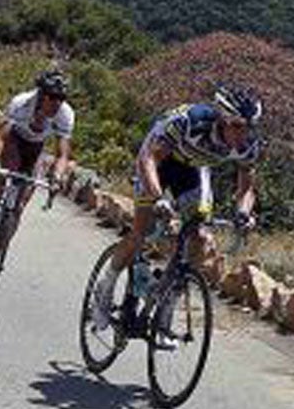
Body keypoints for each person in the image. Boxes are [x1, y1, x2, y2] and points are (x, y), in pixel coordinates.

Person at [97, 85, 263, 335]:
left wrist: (243, 213)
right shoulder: (190, 122)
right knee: (141, 232)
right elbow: (149, 160)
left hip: (193, 170)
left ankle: (165, 309)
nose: (243, 133)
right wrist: (157, 197)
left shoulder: (247, 145)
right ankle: (106, 285)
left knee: (199, 238)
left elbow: (247, 189)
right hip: (158, 161)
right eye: (237, 126)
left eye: (248, 127)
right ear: (221, 118)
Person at [0, 70, 76, 255]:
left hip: (36, 148)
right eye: (52, 97)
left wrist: (58, 177)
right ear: (41, 94)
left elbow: (62, 154)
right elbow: (1, 136)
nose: (57, 103)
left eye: (62, 98)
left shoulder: (65, 114)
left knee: (20, 203)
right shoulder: (21, 103)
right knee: (1, 176)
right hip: (15, 140)